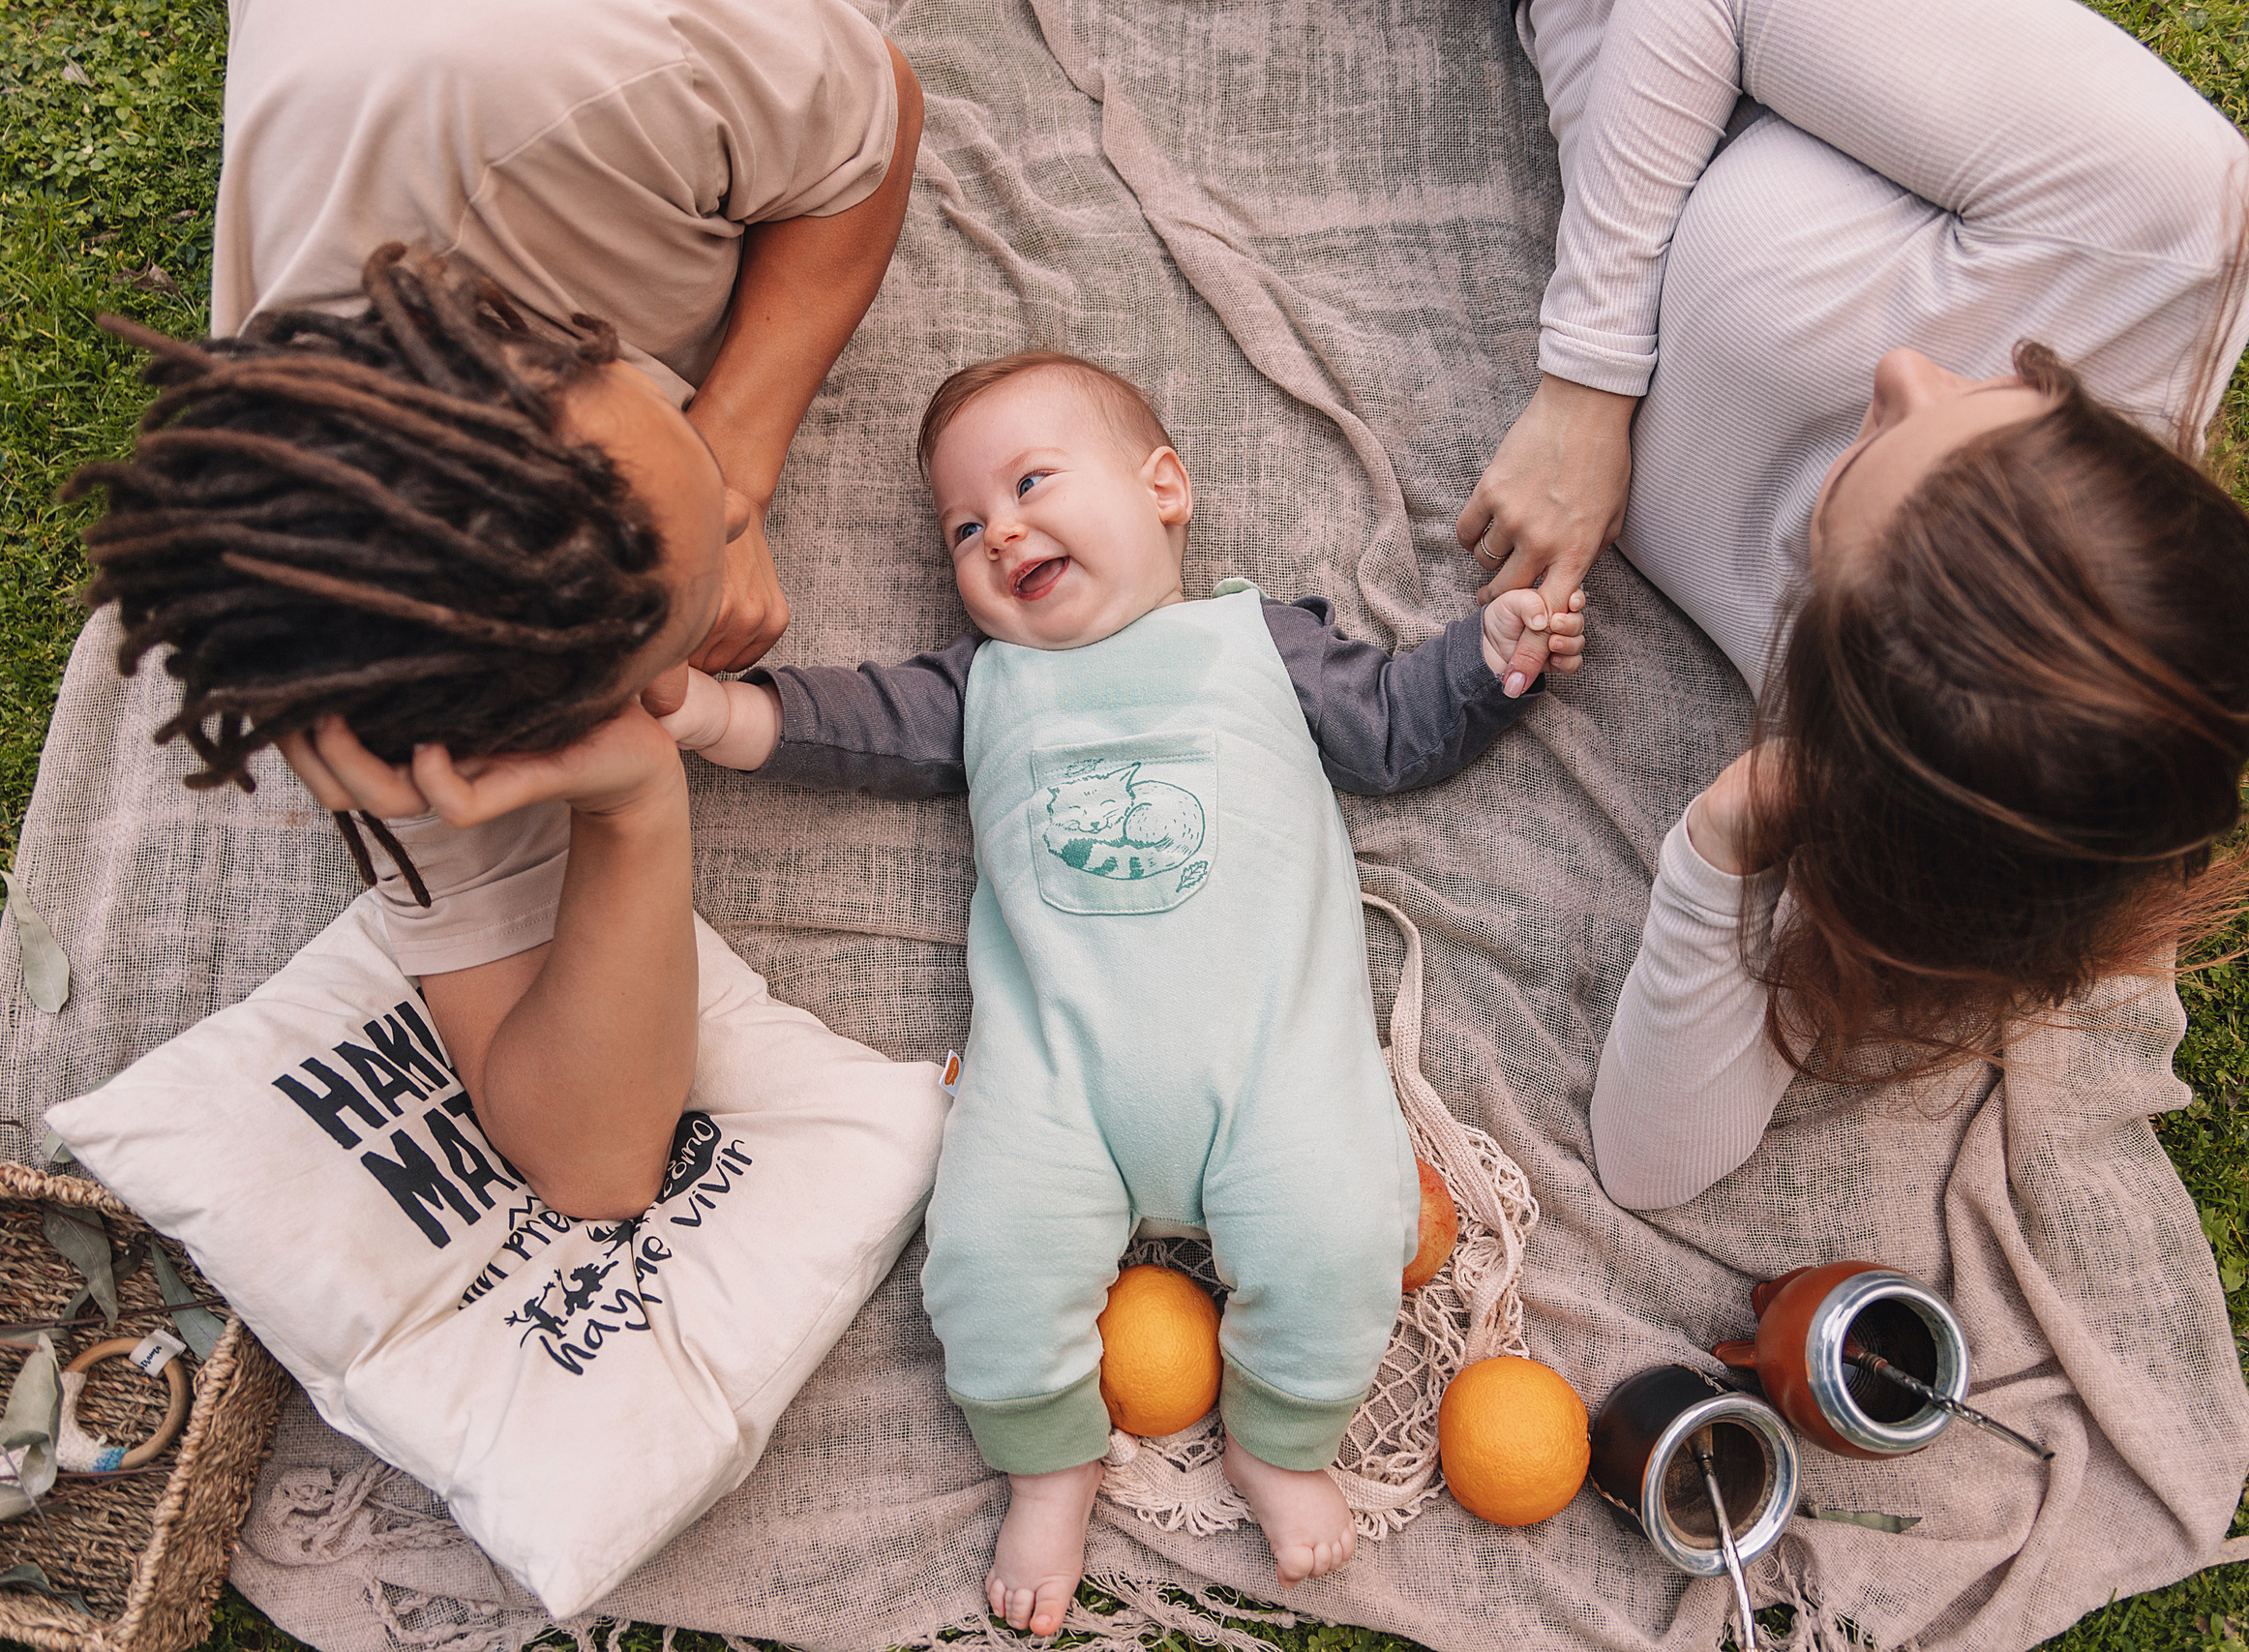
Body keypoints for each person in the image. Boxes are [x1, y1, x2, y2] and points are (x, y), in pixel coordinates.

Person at [652, 351, 1581, 1634]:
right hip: (1058, 1088)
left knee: (1347, 1232)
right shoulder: (981, 683)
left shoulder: (1255, 641)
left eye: (1032, 483)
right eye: (965, 526)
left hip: (1275, 1072)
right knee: (982, 1260)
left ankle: (1278, 1439)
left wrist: (1490, 655)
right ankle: (1049, 1464)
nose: (1000, 531)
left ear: (1164, 489)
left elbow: (1393, 725)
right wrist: (710, 714)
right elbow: (843, 724)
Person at [68, 0, 924, 1220]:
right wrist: (632, 801)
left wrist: (733, 453)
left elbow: (877, 114)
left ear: (536, 343)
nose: (695, 659)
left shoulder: (605, 72)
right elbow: (590, 1161)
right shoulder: (377, 610)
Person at [1454, 0, 2249, 1208]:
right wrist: (1584, 383)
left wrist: (1735, 834)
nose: (1903, 370)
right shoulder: (2149, 217)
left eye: (1867, 447)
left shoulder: (1904, 713)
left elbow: (1649, 1160)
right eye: (2026, 392)